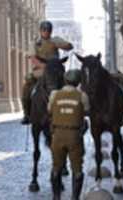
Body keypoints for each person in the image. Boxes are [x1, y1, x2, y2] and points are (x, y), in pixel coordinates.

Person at [21, 20, 73, 124]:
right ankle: (27, 114)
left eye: (48, 30)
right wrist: (44, 66)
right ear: (40, 31)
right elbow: (33, 58)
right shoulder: (35, 43)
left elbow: (69, 46)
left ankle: (73, 109)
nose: (46, 32)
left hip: (55, 69)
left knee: (70, 82)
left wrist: (64, 44)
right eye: (44, 30)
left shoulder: (54, 40)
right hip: (41, 69)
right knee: (27, 85)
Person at [48, 69, 89, 200]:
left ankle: (56, 197)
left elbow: (49, 109)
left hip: (57, 135)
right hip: (74, 135)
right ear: (78, 82)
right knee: (77, 169)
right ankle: (75, 198)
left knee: (56, 167)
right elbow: (87, 110)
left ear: (65, 80)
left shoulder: (54, 94)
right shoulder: (82, 95)